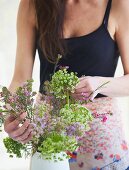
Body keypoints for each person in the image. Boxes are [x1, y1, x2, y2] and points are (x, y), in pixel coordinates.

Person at [4, 0, 129, 169]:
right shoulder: (32, 4)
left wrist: (99, 83)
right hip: (48, 137)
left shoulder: (118, 4)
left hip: (100, 138)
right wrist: (13, 115)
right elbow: (20, 79)